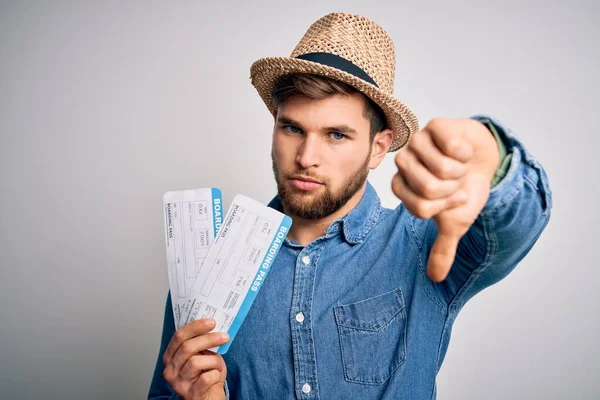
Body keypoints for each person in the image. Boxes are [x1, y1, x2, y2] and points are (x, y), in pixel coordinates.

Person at [148, 12, 552, 400]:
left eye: (336, 135)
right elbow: (167, 392)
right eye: (292, 128)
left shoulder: (418, 243)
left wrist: (492, 159)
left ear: (378, 148)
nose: (306, 156)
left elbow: (516, 226)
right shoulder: (211, 262)